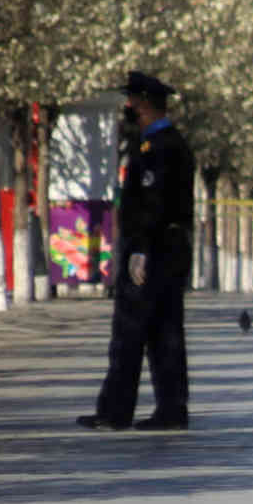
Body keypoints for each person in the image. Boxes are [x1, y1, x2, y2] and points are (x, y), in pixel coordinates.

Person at [78, 71, 196, 432]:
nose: (127, 107)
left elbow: (153, 204)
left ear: (143, 104)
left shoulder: (158, 148)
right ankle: (171, 410)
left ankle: (115, 412)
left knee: (130, 331)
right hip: (170, 248)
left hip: (154, 249)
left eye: (130, 101)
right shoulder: (167, 143)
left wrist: (140, 250)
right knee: (164, 332)